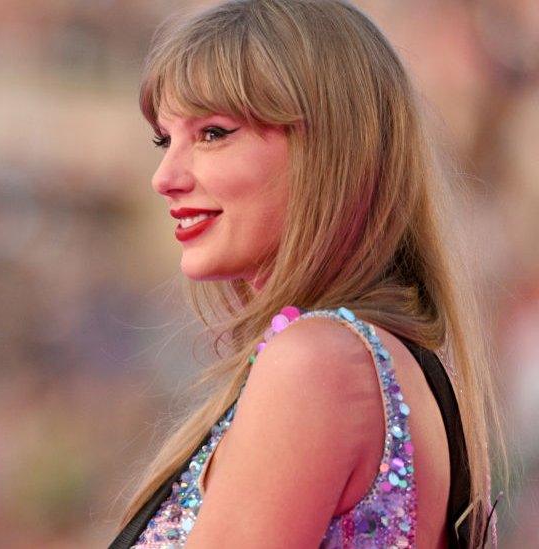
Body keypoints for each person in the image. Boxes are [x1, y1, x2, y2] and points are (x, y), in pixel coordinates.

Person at [109, 1, 505, 547]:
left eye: (214, 133)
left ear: (328, 148)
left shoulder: (317, 363)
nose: (165, 177)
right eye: (164, 139)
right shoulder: (369, 357)